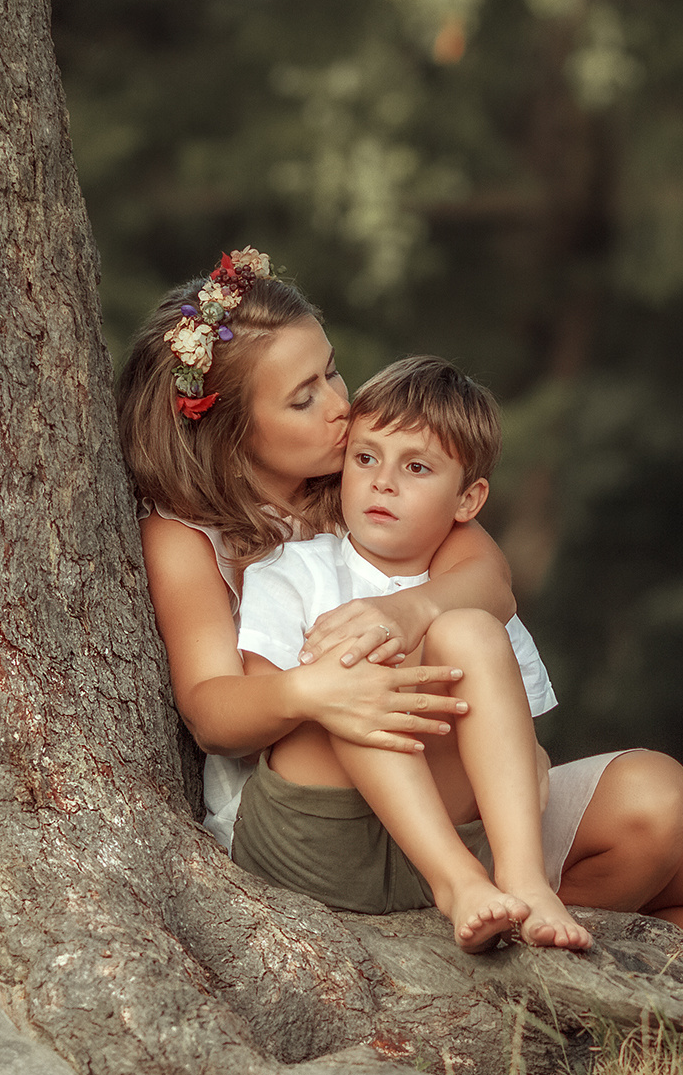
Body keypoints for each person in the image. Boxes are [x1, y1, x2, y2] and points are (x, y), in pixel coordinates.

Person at [117, 248, 683, 958]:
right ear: (228, 426)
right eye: (305, 397)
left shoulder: (374, 483)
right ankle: (464, 889)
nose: (343, 405)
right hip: (312, 819)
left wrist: (406, 611)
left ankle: (532, 948)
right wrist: (315, 689)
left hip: (453, 805)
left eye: (332, 369)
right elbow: (212, 713)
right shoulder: (187, 537)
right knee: (360, 657)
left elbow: (490, 583)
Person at [231, 356, 591, 952]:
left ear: (468, 500)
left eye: (417, 467)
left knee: (472, 635)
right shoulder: (292, 570)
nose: (383, 482)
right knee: (359, 661)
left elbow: (514, 742)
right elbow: (254, 720)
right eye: (365, 458)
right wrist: (334, 683)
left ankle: (522, 880)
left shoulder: (470, 591)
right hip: (314, 838)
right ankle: (458, 885)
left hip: (443, 831)